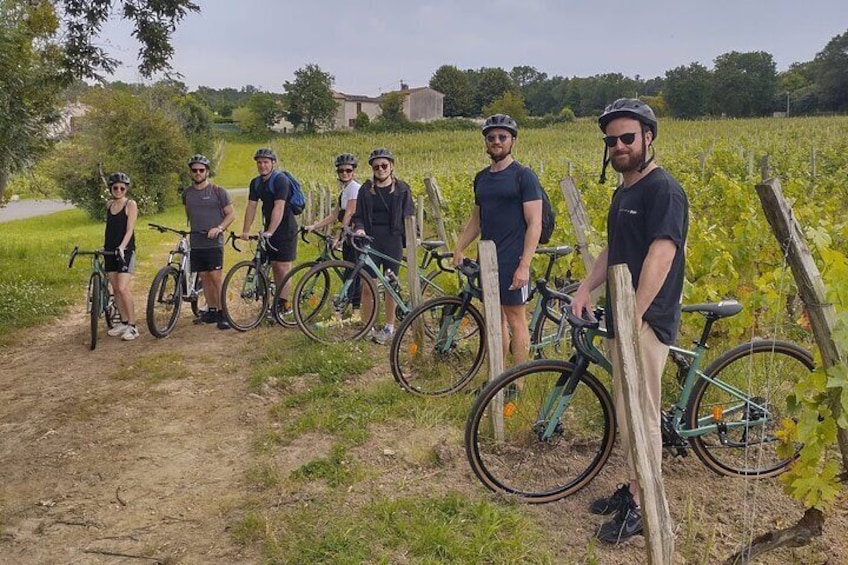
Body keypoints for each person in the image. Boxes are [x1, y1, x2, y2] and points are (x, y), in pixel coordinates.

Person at [570, 98, 688, 544]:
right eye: (611, 140)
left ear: (648, 138)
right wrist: (585, 288)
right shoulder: (624, 192)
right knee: (627, 410)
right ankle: (634, 486)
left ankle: (644, 504)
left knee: (642, 414)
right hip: (624, 316)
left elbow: (663, 253)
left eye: (627, 138)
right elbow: (612, 249)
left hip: (645, 319)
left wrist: (634, 313)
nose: (618, 145)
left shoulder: (664, 190)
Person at [452, 114, 543, 367]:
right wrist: (460, 247)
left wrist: (524, 264)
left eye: (502, 137)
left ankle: (519, 383)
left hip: (513, 258)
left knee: (516, 318)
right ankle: (498, 377)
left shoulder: (524, 176)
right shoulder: (482, 178)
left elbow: (535, 222)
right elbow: (476, 220)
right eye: (491, 137)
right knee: (495, 318)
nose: (496, 141)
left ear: (512, 140)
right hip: (488, 260)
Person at [351, 148, 414, 345]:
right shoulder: (365, 190)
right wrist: (359, 229)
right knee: (367, 285)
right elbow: (358, 216)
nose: (380, 169)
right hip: (370, 240)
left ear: (391, 166)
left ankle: (389, 326)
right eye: (376, 166)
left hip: (392, 240)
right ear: (372, 169)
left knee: (389, 285)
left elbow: (409, 215)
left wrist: (414, 237)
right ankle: (368, 325)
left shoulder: (402, 189)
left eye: (384, 165)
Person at [240, 147, 299, 313]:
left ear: (273, 163)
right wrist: (245, 230)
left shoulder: (280, 180)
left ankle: (284, 305)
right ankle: (273, 301)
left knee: (282, 267)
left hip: (286, 228)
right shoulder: (256, 183)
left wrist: (271, 231)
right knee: (272, 264)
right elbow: (251, 206)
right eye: (259, 162)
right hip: (269, 228)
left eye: (266, 162)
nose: (262, 165)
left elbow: (279, 207)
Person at [183, 154, 235, 330]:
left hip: (214, 242)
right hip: (196, 241)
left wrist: (219, 228)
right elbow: (189, 215)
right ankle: (212, 310)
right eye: (194, 170)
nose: (197, 173)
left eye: (201, 170)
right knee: (204, 276)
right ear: (190, 172)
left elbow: (231, 214)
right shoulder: (187, 193)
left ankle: (223, 313)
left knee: (215, 276)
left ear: (207, 172)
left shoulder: (218, 191)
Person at [305, 153, 362, 313]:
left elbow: (350, 213)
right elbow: (335, 214)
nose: (345, 174)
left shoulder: (354, 189)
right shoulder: (344, 190)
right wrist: (315, 226)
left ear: (353, 171)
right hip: (348, 235)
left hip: (355, 235)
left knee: (354, 272)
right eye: (341, 171)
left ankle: (356, 310)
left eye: (348, 171)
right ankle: (348, 303)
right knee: (349, 270)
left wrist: (339, 237)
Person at [103, 172, 139, 341]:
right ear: (110, 188)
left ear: (126, 189)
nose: (118, 190)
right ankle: (123, 321)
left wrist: (123, 247)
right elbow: (110, 228)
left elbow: (129, 229)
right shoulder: (109, 204)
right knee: (115, 288)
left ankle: (133, 326)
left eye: (122, 188)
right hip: (109, 250)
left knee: (123, 288)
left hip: (125, 250)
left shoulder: (130, 204)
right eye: (115, 187)